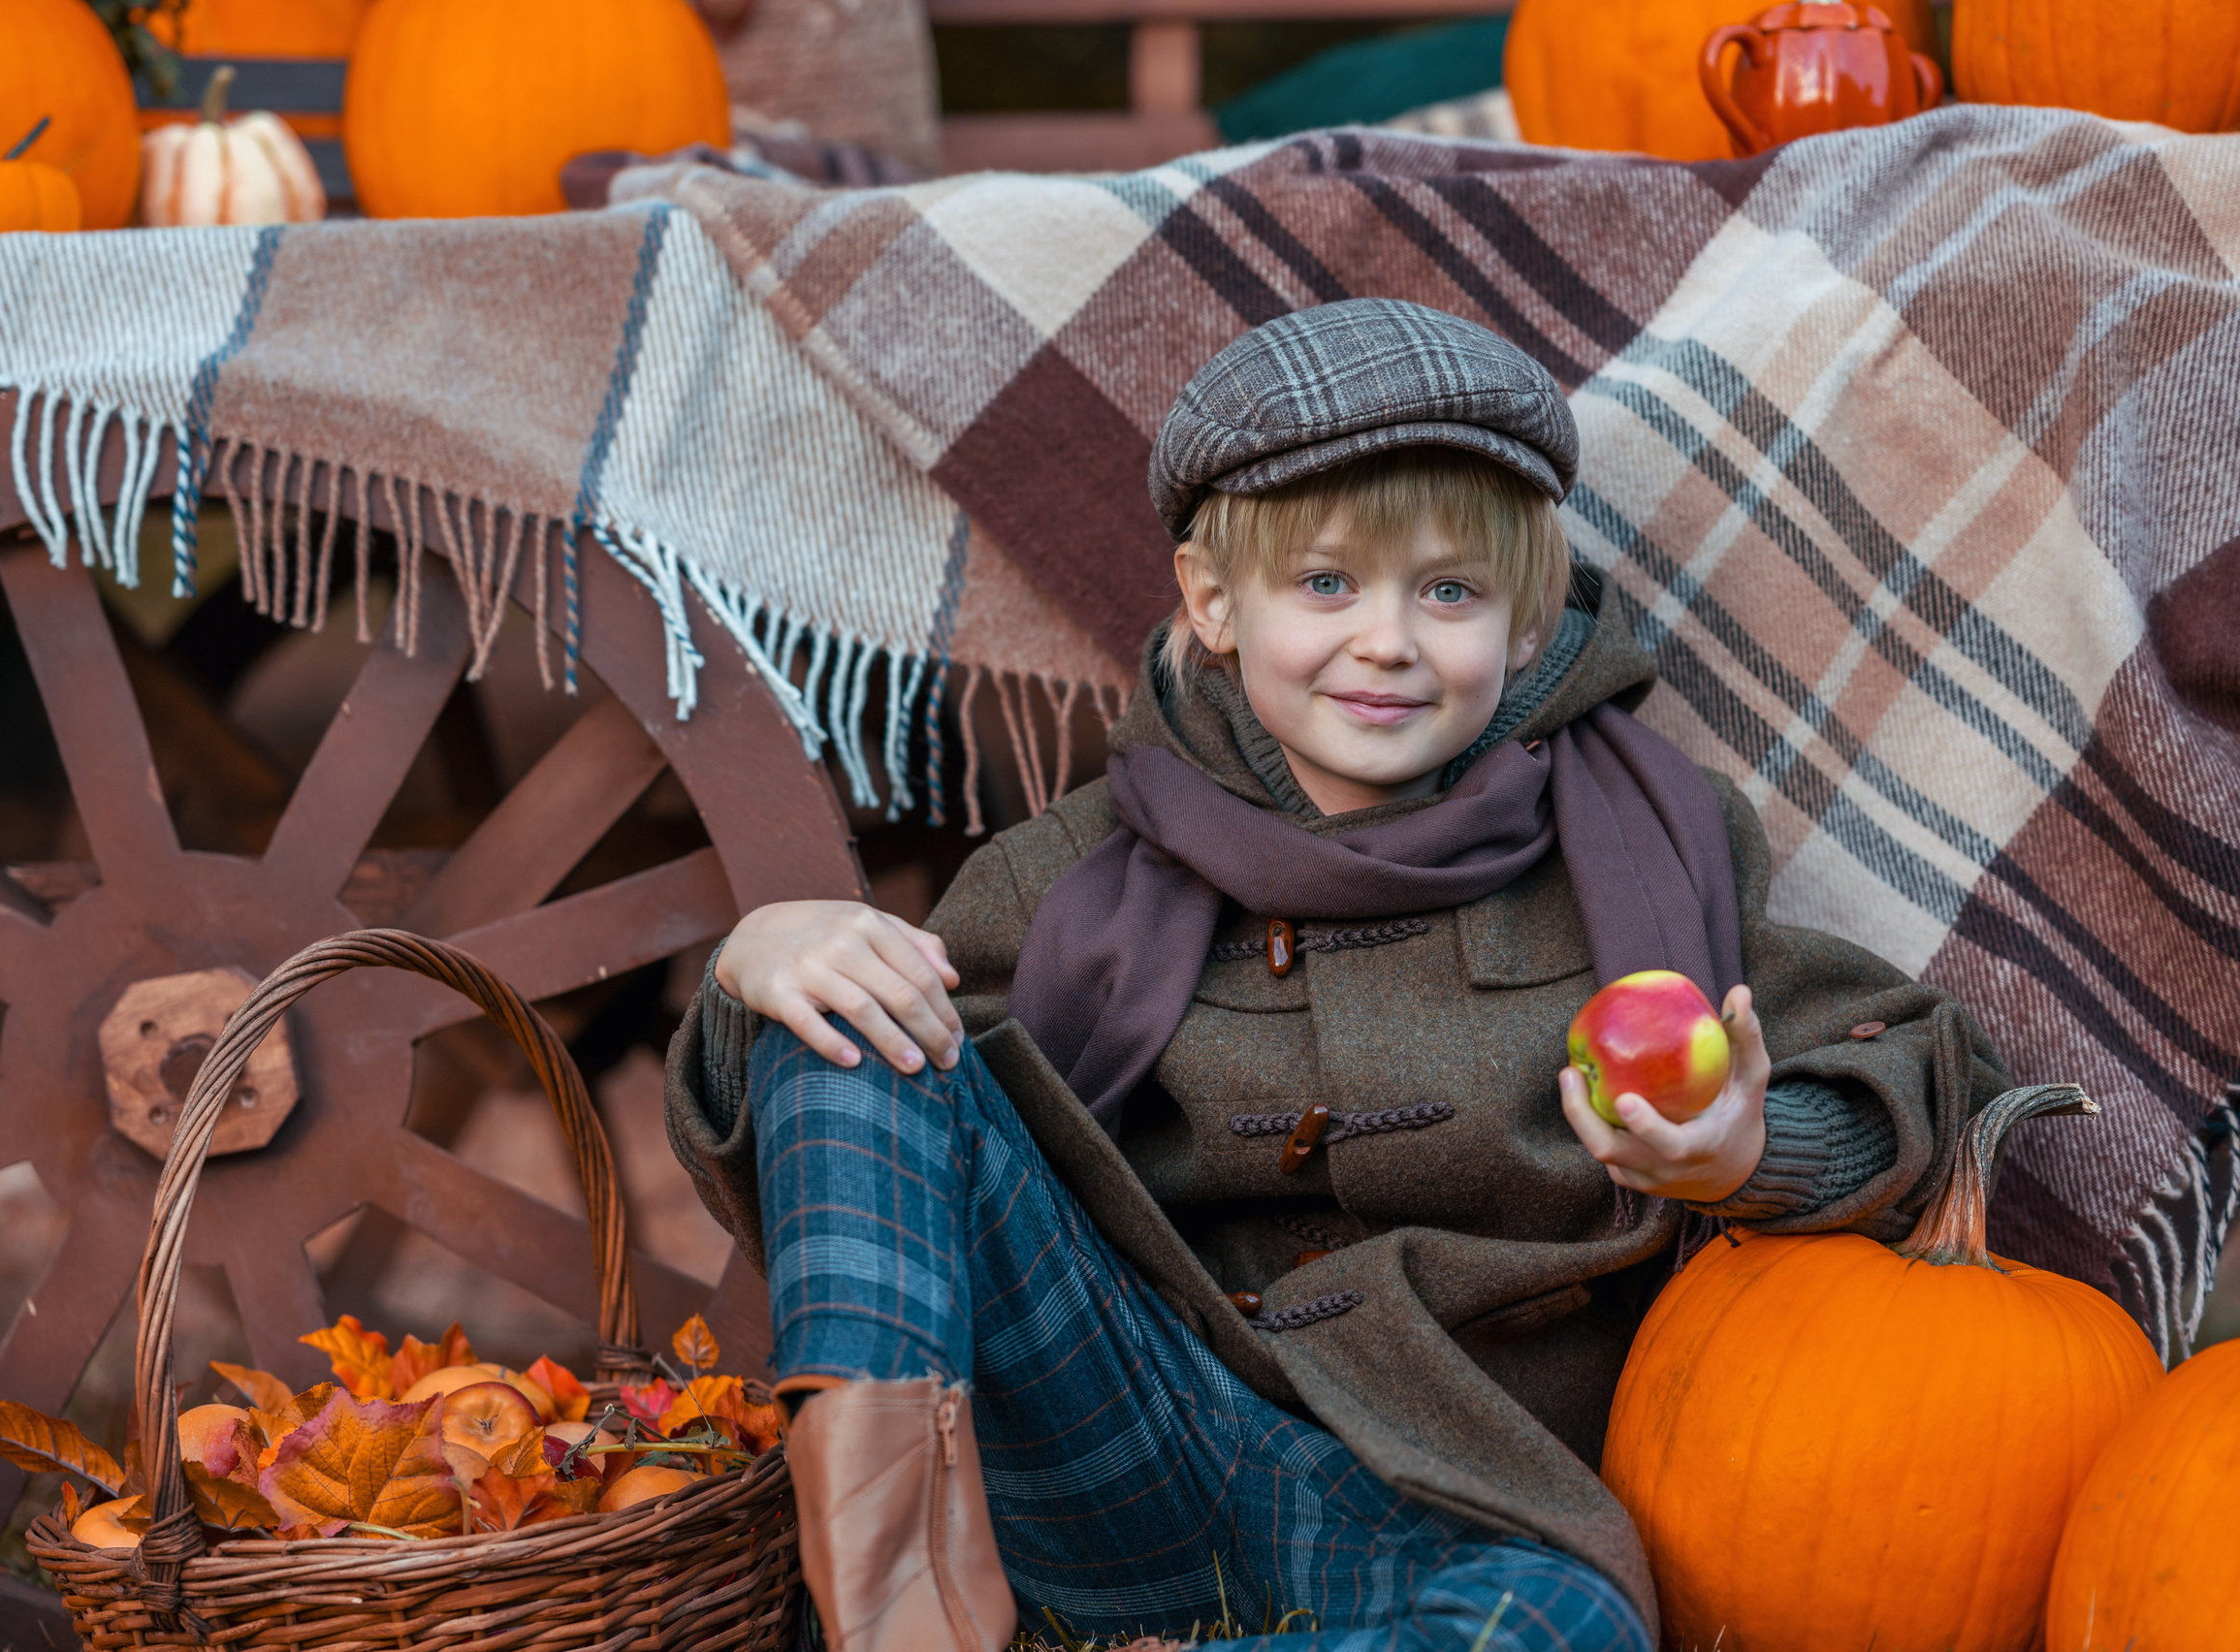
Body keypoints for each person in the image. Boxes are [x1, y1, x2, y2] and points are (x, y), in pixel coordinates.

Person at [663, 300, 2008, 1652]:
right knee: (855, 1017)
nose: (1387, 640)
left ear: (1526, 623)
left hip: (1435, 1491)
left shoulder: (1649, 845)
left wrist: (1746, 1151)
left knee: (1561, 1631)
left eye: (1449, 592)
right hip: (1121, 1425)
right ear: (1214, 603)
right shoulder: (1064, 874)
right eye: (1325, 584)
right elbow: (873, 1166)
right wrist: (755, 967)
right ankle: (896, 1620)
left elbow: (1922, 1070)